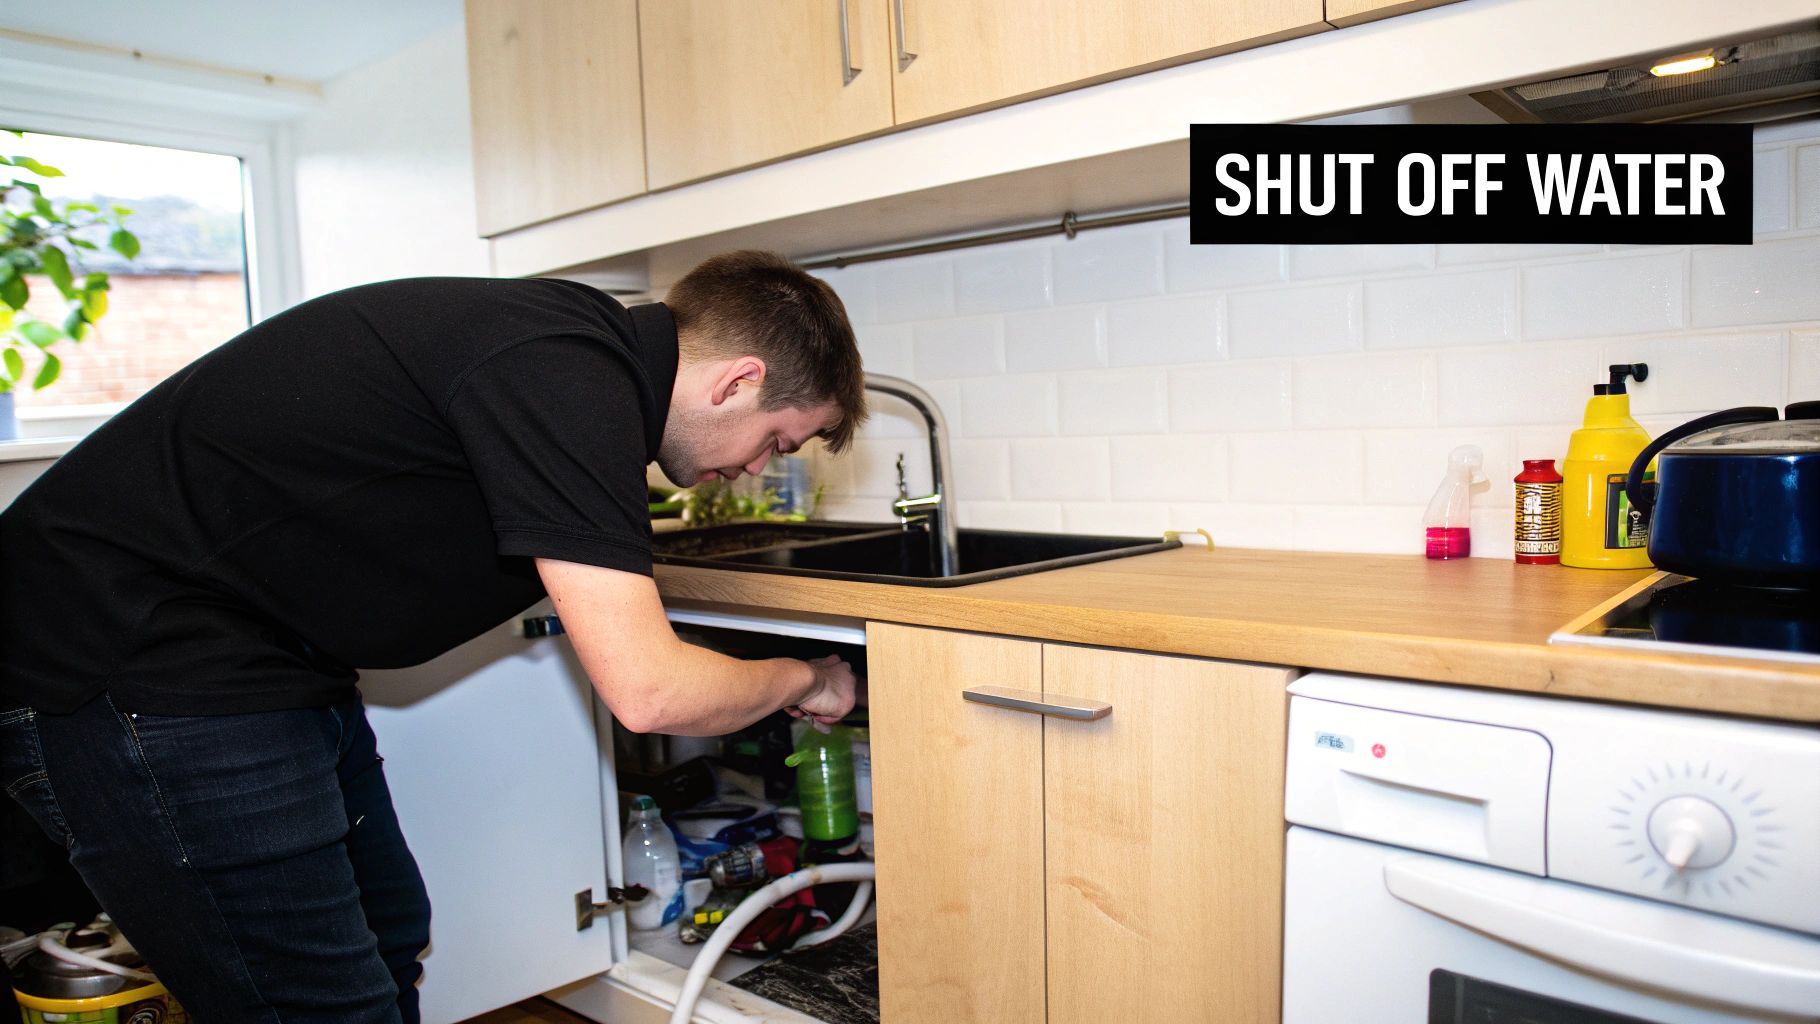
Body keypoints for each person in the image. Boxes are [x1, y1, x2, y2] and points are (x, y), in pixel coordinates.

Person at [0, 250, 867, 1022]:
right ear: (736, 382)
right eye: (775, 440)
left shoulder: (575, 362)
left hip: (266, 663)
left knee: (387, 936)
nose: (756, 467)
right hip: (135, 663)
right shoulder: (566, 371)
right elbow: (651, 692)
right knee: (312, 1002)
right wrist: (806, 678)